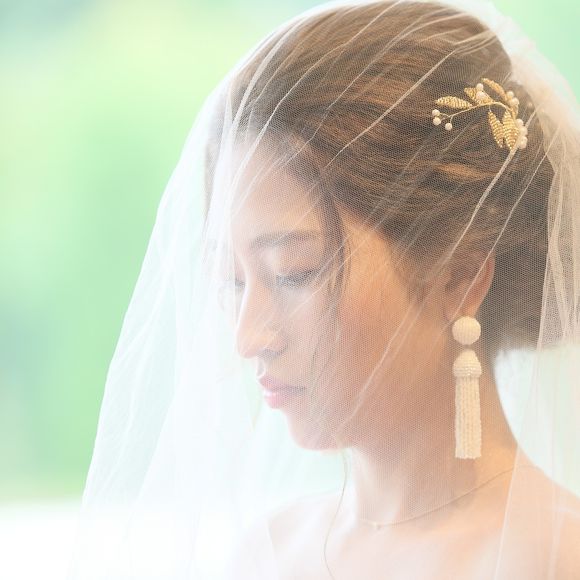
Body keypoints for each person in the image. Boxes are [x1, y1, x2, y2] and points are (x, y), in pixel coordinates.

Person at [68, 0, 580, 578]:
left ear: (459, 277)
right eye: (233, 281)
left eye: (294, 271)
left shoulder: (555, 557)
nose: (249, 337)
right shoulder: (268, 553)